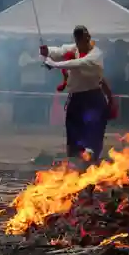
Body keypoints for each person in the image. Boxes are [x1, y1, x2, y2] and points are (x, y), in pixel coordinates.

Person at [41, 25, 109, 163]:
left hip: (93, 98)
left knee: (93, 131)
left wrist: (54, 64)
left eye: (83, 41)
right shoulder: (75, 48)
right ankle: (73, 161)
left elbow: (78, 63)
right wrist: (48, 51)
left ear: (88, 39)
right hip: (76, 97)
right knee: (73, 131)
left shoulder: (96, 54)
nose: (80, 45)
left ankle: (93, 162)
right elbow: (60, 50)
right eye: (78, 41)